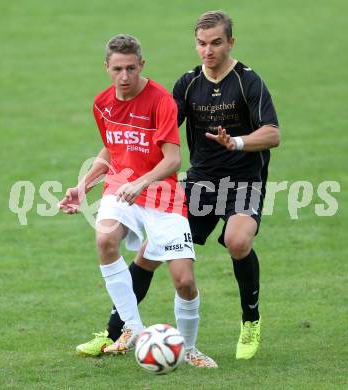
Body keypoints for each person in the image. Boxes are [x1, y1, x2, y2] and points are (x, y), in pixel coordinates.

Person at [81, 10, 280, 361]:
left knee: (237, 241)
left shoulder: (249, 81)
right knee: (148, 254)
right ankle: (115, 331)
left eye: (216, 43)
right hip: (201, 183)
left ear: (230, 42)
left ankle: (251, 320)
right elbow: (143, 133)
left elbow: (272, 134)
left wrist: (235, 142)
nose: (208, 50)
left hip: (244, 183)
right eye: (202, 44)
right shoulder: (187, 84)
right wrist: (101, 169)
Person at [59, 34, 217, 368]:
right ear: (107, 67)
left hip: (162, 193)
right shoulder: (102, 103)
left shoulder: (161, 101)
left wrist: (143, 181)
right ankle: (133, 328)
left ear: (142, 65)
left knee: (185, 282)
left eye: (131, 68)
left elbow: (173, 159)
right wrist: (83, 186)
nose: (125, 76)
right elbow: (111, 149)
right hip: (122, 187)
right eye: (117, 69)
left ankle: (189, 349)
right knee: (105, 239)